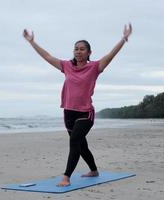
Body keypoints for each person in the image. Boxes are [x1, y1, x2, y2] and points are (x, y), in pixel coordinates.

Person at [23, 23, 132, 187]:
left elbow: (110, 55)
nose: (78, 51)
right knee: (81, 145)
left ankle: (66, 176)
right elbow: (47, 56)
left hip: (85, 113)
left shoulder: (95, 67)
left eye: (82, 49)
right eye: (76, 49)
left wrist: (123, 39)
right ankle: (94, 170)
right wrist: (32, 42)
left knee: (74, 141)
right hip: (68, 113)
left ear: (89, 53)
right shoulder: (67, 66)